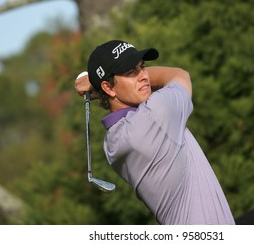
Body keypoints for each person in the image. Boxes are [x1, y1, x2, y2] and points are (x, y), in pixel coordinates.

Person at [74, 39, 235, 225]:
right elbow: (179, 74)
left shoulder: (113, 140)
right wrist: (96, 83)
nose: (144, 76)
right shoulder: (155, 115)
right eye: (130, 72)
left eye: (142, 67)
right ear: (108, 87)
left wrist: (101, 84)